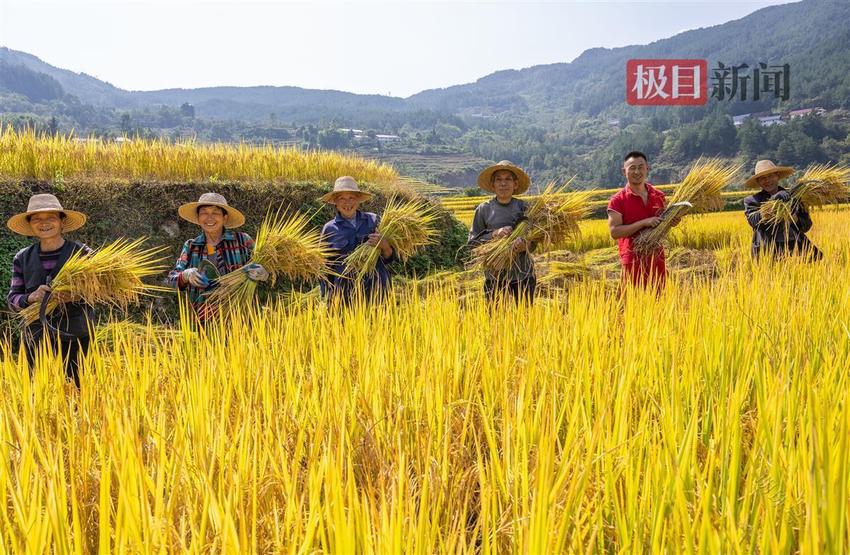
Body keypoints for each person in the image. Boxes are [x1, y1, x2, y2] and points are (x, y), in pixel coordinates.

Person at [6, 194, 93, 387]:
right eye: (37, 219)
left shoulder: (83, 254)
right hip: (36, 336)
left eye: (51, 218)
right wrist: (31, 297)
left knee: (78, 389)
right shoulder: (22, 258)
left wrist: (76, 295)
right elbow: (13, 299)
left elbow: (105, 291)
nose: (44, 223)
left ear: (62, 222)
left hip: (76, 334)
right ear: (30, 225)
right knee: (37, 389)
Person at [167, 192, 268, 321]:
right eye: (204, 213)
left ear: (225, 218)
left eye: (215, 213)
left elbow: (267, 271)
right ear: (198, 218)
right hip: (201, 319)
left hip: (240, 318)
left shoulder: (243, 241)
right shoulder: (191, 246)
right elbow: (172, 280)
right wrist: (186, 275)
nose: (209, 218)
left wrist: (264, 274)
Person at [607, 151, 679, 290]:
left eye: (641, 167)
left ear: (647, 169)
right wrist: (644, 222)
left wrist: (672, 221)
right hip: (632, 259)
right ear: (624, 171)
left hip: (657, 257)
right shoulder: (617, 200)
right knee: (632, 303)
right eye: (632, 168)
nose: (637, 171)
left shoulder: (659, 196)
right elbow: (614, 232)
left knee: (659, 301)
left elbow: (662, 224)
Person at [467, 160, 536, 304]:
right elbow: (472, 244)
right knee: (496, 321)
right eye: (499, 179)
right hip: (494, 276)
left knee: (526, 318)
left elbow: (535, 241)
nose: (503, 183)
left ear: (515, 184)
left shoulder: (526, 208)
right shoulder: (483, 210)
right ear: (493, 185)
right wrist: (494, 234)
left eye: (508, 179)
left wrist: (526, 246)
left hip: (523, 275)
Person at [319, 176, 395, 305]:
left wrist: (385, 246)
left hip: (377, 290)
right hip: (345, 294)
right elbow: (324, 268)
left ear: (358, 200)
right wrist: (326, 297)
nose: (347, 203)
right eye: (341, 198)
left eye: (351, 198)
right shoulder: (329, 229)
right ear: (335, 202)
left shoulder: (375, 221)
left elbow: (390, 258)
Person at [742, 159, 822, 260]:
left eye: (770, 176)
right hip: (768, 251)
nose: (767, 180)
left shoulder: (795, 197)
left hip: (796, 248)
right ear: (758, 182)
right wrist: (773, 201)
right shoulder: (752, 201)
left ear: (777, 176)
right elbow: (753, 221)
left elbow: (806, 226)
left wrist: (792, 215)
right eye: (762, 178)